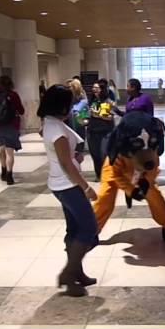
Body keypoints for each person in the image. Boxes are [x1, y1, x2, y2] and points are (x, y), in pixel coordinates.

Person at [38, 84, 98, 297]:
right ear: (60, 105)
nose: (72, 106)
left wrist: (74, 156)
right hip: (68, 185)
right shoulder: (55, 129)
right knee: (89, 229)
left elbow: (65, 157)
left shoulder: (51, 123)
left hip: (62, 184)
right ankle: (68, 273)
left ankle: (76, 273)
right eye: (70, 102)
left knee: (74, 230)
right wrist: (87, 187)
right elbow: (66, 164)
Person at [87, 80, 115, 180]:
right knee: (95, 154)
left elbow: (108, 117)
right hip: (92, 131)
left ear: (102, 89)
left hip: (104, 132)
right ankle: (99, 175)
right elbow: (88, 115)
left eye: (97, 88)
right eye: (93, 88)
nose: (94, 90)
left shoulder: (106, 101)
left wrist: (96, 114)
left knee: (103, 154)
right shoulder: (93, 101)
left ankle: (107, 174)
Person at [69, 79, 89, 154]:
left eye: (71, 86)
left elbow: (84, 105)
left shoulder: (83, 98)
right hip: (71, 124)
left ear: (75, 87)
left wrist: (77, 111)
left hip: (79, 123)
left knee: (79, 148)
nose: (69, 88)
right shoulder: (69, 98)